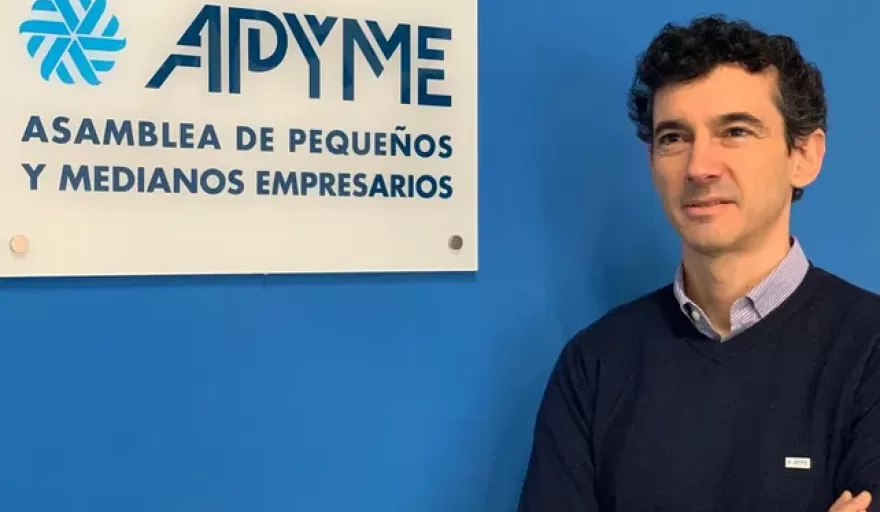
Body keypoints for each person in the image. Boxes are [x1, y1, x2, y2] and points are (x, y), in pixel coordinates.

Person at [516, 14, 879, 512]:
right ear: (652, 163)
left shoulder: (869, 349)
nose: (699, 166)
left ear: (804, 156)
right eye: (674, 137)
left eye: (735, 131)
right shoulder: (594, 365)